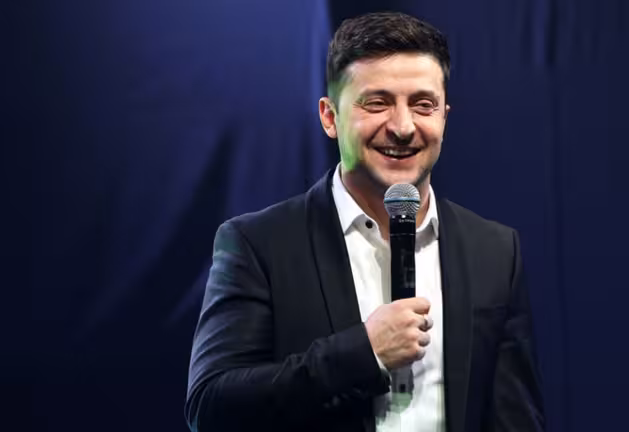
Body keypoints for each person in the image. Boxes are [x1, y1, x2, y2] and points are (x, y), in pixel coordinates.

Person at [185, 11, 545, 432]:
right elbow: (212, 407)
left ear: (444, 118)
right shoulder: (259, 245)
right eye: (377, 103)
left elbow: (515, 420)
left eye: (423, 105)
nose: (403, 127)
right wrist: (364, 352)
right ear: (330, 117)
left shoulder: (495, 251)